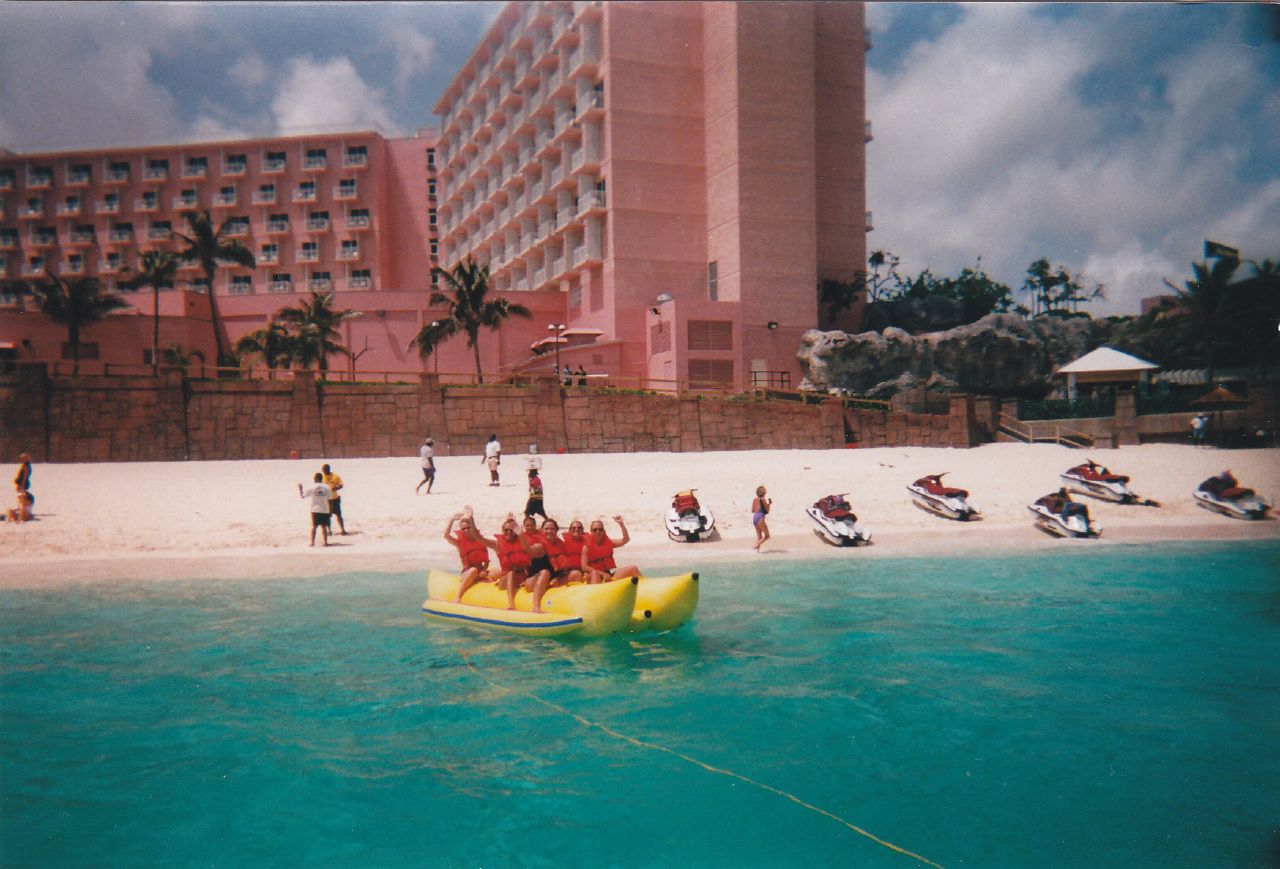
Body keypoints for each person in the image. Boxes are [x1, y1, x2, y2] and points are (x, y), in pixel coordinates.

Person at [444, 508, 495, 602]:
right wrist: (451, 520)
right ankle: (458, 595)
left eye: (468, 527)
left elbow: (486, 562)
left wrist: (484, 570)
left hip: (480, 572)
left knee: (499, 570)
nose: (466, 530)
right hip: (468, 573)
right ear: (461, 530)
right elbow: (446, 536)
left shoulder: (480, 540)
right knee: (473, 570)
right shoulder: (459, 543)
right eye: (464, 528)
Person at [581, 515, 640, 583]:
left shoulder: (609, 542)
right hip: (593, 575)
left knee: (633, 568)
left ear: (603, 531)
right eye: (595, 529)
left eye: (600, 529)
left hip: (608, 574)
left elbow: (625, 540)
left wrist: (621, 524)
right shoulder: (586, 547)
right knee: (595, 574)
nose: (598, 531)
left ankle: (644, 589)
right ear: (591, 531)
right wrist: (602, 573)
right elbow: (584, 566)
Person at [298, 472, 333, 547]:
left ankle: (312, 542)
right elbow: (330, 500)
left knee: (314, 526)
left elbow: (303, 496)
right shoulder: (327, 487)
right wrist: (330, 510)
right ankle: (325, 542)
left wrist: (300, 489)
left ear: (315, 479)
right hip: (325, 509)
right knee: (324, 526)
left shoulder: (312, 487)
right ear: (321, 478)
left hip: (315, 509)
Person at [320, 463, 347, 535]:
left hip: (335, 498)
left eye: (325, 470)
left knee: (338, 515)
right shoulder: (321, 478)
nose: (324, 471)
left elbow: (341, 485)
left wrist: (335, 488)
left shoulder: (335, 476)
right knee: (327, 516)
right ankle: (329, 531)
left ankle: (343, 530)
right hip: (326, 500)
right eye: (323, 470)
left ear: (329, 469)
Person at [752, 485, 772, 552]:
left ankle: (757, 552)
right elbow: (767, 511)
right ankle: (757, 545)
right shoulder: (763, 499)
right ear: (763, 492)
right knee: (767, 536)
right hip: (760, 517)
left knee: (759, 536)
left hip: (754, 518)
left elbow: (752, 510)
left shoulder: (754, 499)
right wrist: (769, 504)